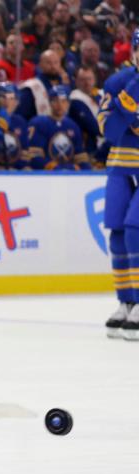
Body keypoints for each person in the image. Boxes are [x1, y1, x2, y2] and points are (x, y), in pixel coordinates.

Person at [98, 29, 139, 338]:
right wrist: (130, 100)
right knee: (117, 230)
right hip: (120, 166)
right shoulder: (116, 82)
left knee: (136, 228)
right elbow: (109, 130)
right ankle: (125, 302)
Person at [24, 85, 90, 172]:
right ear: (49, 102)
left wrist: (85, 170)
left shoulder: (73, 126)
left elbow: (80, 156)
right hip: (44, 176)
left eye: (63, 101)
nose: (60, 105)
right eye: (55, 101)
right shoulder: (38, 123)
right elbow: (35, 158)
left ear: (68, 103)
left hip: (69, 176)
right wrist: (57, 168)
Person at [0, 82, 27, 170]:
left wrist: (23, 168)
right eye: (2, 97)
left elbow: (24, 152)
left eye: (11, 98)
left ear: (17, 101)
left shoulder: (20, 122)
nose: (6, 102)